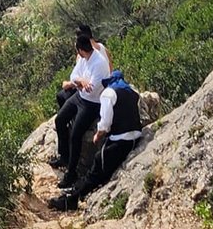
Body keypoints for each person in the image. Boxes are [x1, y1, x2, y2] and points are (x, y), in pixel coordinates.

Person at [49, 68, 143, 212]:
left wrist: (97, 136)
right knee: (100, 168)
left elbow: (105, 124)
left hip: (120, 140)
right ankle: (73, 194)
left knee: (96, 169)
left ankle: (71, 199)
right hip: (136, 137)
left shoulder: (108, 94)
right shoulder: (132, 92)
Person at [51, 28, 110, 187]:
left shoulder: (99, 64)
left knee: (76, 135)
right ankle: (64, 156)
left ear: (81, 50)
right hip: (79, 97)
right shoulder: (84, 59)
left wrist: (81, 83)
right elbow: (74, 77)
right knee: (60, 120)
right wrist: (81, 82)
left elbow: (93, 88)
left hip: (92, 103)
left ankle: (71, 173)